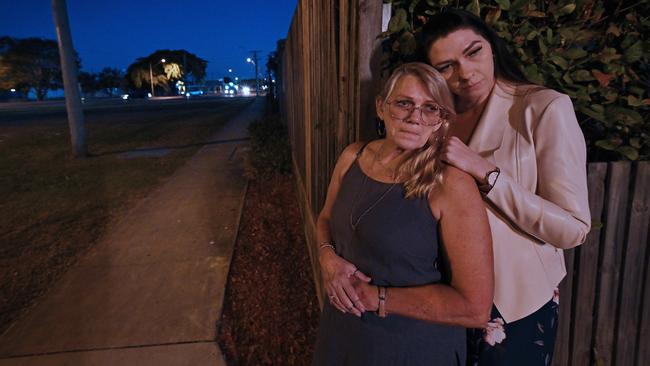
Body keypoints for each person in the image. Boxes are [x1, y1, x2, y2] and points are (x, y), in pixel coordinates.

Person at [419, 8, 591, 366]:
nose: (465, 73)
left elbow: (573, 228)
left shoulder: (542, 109)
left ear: (492, 47)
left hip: (512, 306)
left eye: (473, 51)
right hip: (441, 296)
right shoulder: (434, 118)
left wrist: (488, 175)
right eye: (446, 66)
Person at [312, 62, 493, 366]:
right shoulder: (352, 156)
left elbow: (474, 308)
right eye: (404, 103)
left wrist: (377, 298)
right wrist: (328, 259)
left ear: (440, 120)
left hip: (410, 347)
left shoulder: (450, 185)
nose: (415, 117)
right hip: (341, 333)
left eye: (430, 108)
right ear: (381, 107)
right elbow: (326, 219)